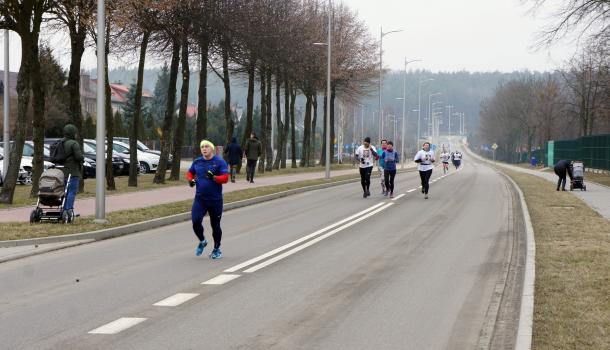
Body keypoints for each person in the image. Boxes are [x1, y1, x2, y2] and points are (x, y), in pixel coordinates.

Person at [187, 140, 229, 259]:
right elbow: (190, 173)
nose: (204, 149)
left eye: (206, 146)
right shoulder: (197, 162)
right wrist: (191, 181)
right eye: (202, 147)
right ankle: (202, 241)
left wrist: (214, 177)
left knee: (215, 225)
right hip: (200, 198)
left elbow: (225, 178)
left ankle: (216, 249)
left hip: (215, 200)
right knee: (195, 221)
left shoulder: (219, 162)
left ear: (211, 149)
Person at [59, 124, 84, 218]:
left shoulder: (60, 142)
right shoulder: (74, 143)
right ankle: (69, 210)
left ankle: (63, 209)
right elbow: (78, 157)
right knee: (71, 191)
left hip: (61, 172)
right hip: (72, 171)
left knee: (63, 191)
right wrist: (82, 158)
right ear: (72, 133)